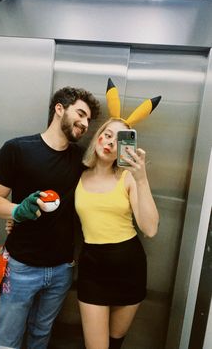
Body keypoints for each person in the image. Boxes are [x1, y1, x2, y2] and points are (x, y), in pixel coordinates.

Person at [0, 86, 101, 349]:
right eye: (80, 114)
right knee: (8, 339)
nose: (84, 123)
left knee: (41, 335)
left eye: (88, 120)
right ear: (59, 109)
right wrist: (17, 211)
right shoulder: (17, 149)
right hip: (21, 268)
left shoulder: (81, 160)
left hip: (62, 270)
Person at [74, 117, 159, 349]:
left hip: (129, 268)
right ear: (98, 136)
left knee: (114, 344)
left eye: (119, 139)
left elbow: (150, 228)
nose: (110, 142)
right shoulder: (78, 175)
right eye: (108, 134)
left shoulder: (128, 178)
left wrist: (141, 178)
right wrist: (15, 219)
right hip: (92, 269)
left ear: (125, 147)